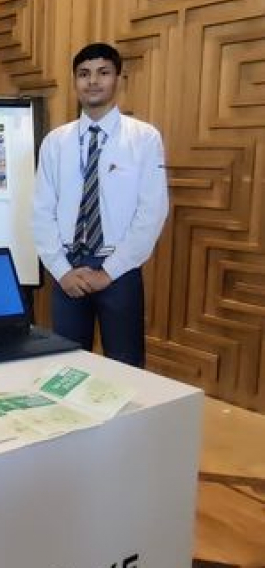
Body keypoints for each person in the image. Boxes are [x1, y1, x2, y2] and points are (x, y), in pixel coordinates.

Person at [32, 42, 168, 367]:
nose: (92, 81)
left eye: (103, 72)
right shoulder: (55, 142)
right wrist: (62, 271)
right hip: (67, 269)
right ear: (75, 81)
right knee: (67, 367)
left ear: (119, 79)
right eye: (84, 74)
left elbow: (151, 212)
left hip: (119, 270)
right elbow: (41, 212)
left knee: (126, 367)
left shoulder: (144, 138)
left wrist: (109, 271)